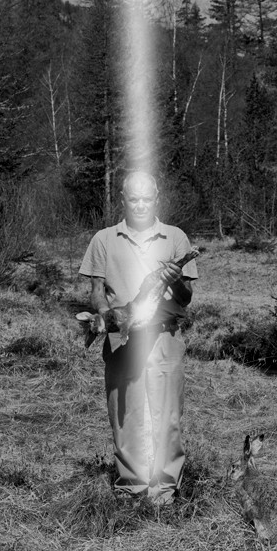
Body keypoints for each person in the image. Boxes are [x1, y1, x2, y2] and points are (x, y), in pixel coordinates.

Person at [78, 171, 198, 505]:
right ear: (122, 198)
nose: (141, 204)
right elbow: (96, 292)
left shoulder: (175, 238)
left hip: (164, 337)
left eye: (147, 198)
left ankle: (164, 490)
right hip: (121, 337)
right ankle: (132, 488)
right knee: (126, 415)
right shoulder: (104, 239)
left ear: (157, 197)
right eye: (134, 198)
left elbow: (186, 298)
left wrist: (176, 281)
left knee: (167, 415)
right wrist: (103, 317)